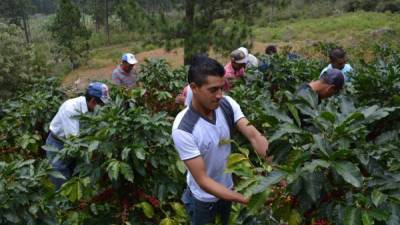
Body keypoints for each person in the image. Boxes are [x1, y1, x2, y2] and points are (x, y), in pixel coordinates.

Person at [172, 56, 269, 225]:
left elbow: (253, 135)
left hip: (228, 188)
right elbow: (203, 180)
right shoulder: (184, 129)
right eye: (213, 90)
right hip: (204, 199)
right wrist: (245, 198)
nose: (219, 95)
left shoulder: (226, 105)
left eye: (221, 88)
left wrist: (279, 170)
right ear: (194, 88)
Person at [45, 82, 110, 189]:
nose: (101, 107)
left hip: (74, 143)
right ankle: (62, 201)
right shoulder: (71, 109)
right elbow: (74, 140)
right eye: (101, 104)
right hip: (58, 144)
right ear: (93, 101)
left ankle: (73, 199)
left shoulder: (88, 107)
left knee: (72, 171)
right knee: (60, 176)